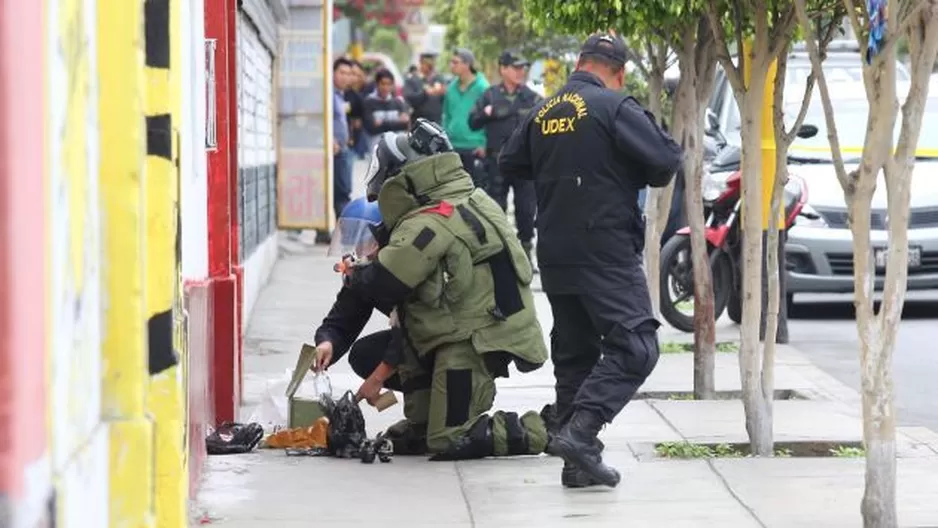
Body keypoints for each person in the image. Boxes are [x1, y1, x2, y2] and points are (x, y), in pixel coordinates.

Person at [498, 33, 684, 488]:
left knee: (576, 354)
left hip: (557, 250)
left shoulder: (541, 112)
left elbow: (510, 163)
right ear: (617, 73)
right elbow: (664, 159)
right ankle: (580, 435)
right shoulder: (613, 107)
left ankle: (575, 464)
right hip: (605, 250)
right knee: (637, 345)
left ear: (579, 63)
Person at [335, 120, 553, 461]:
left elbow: (385, 282)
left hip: (475, 341)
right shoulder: (466, 198)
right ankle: (423, 425)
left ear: (402, 175)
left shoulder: (432, 219)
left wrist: (356, 273)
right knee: (374, 356)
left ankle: (547, 427)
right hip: (461, 330)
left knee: (451, 440)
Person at [468, 50, 542, 270]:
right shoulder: (489, 96)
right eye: (516, 68)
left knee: (526, 211)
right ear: (503, 69)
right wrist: (487, 113)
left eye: (523, 68)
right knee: (495, 210)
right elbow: (472, 122)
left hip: (525, 166)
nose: (521, 72)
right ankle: (501, 256)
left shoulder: (531, 96)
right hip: (496, 164)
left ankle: (526, 253)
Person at [442, 48, 490, 191]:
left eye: (455, 62)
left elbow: (488, 119)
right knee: (454, 191)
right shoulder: (451, 88)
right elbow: (446, 115)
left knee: (475, 192)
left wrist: (484, 144)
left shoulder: (483, 87)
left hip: (475, 147)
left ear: (467, 64)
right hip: (453, 147)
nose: (452, 65)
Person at [362, 69, 411, 136]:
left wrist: (382, 123)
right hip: (375, 144)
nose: (386, 87)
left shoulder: (398, 103)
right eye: (383, 84)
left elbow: (405, 125)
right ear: (376, 84)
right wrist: (397, 123)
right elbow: (372, 128)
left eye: (389, 84)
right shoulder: (368, 102)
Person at [403, 52, 446, 124]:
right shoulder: (412, 80)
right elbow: (410, 98)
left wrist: (443, 93)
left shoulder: (439, 79)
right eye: (427, 64)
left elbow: (444, 101)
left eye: (432, 64)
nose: (430, 67)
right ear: (421, 63)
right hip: (419, 120)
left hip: (436, 121)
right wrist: (424, 93)